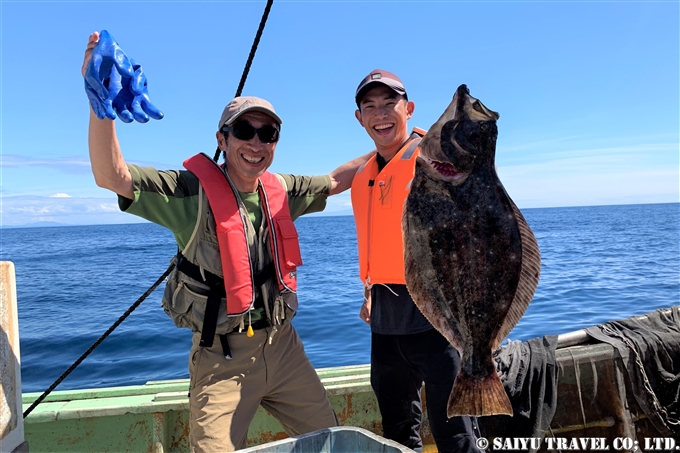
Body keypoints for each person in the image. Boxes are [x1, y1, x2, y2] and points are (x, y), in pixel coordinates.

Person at [82, 32, 373, 453]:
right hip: (221, 361)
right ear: (223, 139)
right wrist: (100, 107)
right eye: (244, 130)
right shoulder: (189, 195)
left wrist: (396, 145)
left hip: (284, 348)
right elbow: (112, 176)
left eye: (267, 133)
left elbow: (336, 180)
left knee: (332, 443)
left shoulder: (281, 190)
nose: (256, 143)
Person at [350, 69, 480, 453]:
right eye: (370, 106)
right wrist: (370, 290)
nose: (380, 113)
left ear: (408, 108)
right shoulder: (364, 174)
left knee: (456, 436)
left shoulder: (437, 159)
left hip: (438, 315)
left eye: (389, 103)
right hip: (385, 319)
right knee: (397, 432)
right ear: (360, 118)